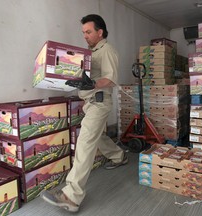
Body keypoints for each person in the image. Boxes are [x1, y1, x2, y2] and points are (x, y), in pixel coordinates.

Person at [41, 14, 128, 212]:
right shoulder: (90, 53)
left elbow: (112, 79)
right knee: (97, 137)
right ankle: (119, 156)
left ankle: (71, 196)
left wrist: (92, 84)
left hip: (99, 102)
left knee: (85, 142)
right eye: (83, 33)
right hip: (90, 102)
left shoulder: (107, 50)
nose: (85, 36)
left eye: (88, 32)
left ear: (100, 32)